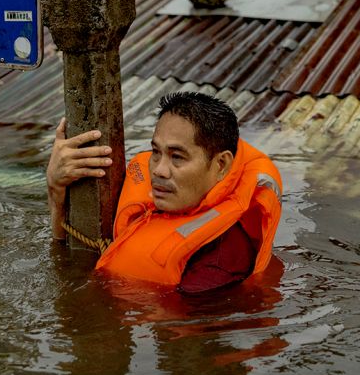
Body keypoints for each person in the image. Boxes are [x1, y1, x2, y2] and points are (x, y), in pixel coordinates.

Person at [46, 92, 282, 294]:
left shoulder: (217, 263)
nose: (158, 170)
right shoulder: (152, 199)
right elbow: (73, 249)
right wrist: (56, 191)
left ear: (221, 165)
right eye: (156, 152)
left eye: (177, 157)